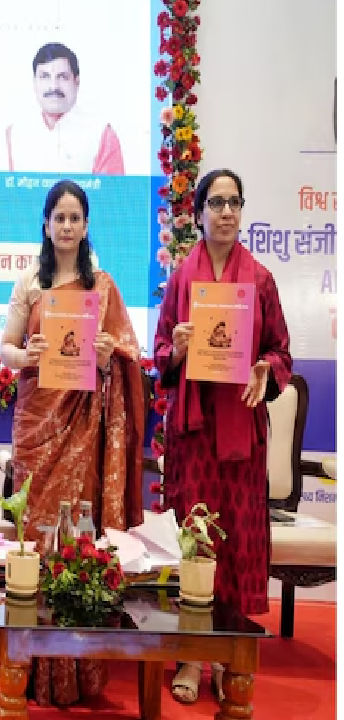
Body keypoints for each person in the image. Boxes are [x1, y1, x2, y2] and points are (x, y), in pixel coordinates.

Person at [0, 179, 145, 706]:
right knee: (36, 542)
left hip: (82, 430)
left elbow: (128, 356)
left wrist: (107, 357)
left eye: (74, 218)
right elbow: (6, 349)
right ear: (46, 225)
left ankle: (76, 669)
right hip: (38, 426)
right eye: (58, 217)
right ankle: (29, 665)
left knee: (75, 540)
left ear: (85, 227)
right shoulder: (29, 283)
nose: (65, 226)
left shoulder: (102, 287)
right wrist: (27, 355)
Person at [153, 168, 291, 705]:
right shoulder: (181, 280)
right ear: (198, 213)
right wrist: (179, 350)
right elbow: (161, 355)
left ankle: (223, 655)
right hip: (192, 432)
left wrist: (265, 369)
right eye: (217, 202)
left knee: (231, 542)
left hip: (239, 432)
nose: (227, 211)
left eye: (235, 202)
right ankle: (190, 654)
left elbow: (281, 352)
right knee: (195, 540)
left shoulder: (260, 280)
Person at [0, 43, 124, 175]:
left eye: (62, 77)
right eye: (45, 76)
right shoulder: (14, 134)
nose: (53, 86)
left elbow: (112, 194)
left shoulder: (101, 134)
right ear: (34, 82)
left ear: (77, 82)